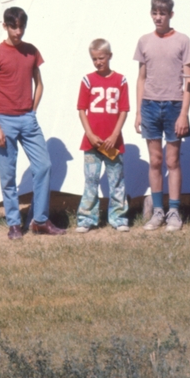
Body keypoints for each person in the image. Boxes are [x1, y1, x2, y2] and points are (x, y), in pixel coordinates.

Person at [0, 6, 64, 240]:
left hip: (28, 120)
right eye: (13, 27)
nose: (18, 32)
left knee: (44, 166)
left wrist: (32, 110)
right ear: (5, 26)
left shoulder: (31, 51)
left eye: (21, 27)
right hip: (4, 121)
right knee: (8, 175)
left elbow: (39, 84)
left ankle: (39, 219)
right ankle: (14, 224)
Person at [134, 0, 190, 232]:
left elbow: (189, 81)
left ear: (171, 15)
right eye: (155, 13)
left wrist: (184, 114)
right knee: (156, 161)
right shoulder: (144, 41)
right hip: (149, 105)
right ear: (151, 14)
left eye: (163, 13)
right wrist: (138, 111)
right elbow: (141, 78)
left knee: (173, 161)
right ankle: (157, 211)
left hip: (174, 106)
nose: (158, 17)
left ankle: (174, 212)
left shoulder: (183, 41)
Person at [76, 38, 130, 233]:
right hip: (92, 142)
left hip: (112, 142)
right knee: (91, 180)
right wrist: (89, 134)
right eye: (94, 59)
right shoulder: (87, 80)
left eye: (101, 58)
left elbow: (124, 109)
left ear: (110, 56)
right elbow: (81, 109)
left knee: (116, 180)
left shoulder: (121, 80)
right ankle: (87, 219)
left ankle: (119, 217)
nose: (98, 62)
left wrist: (115, 134)